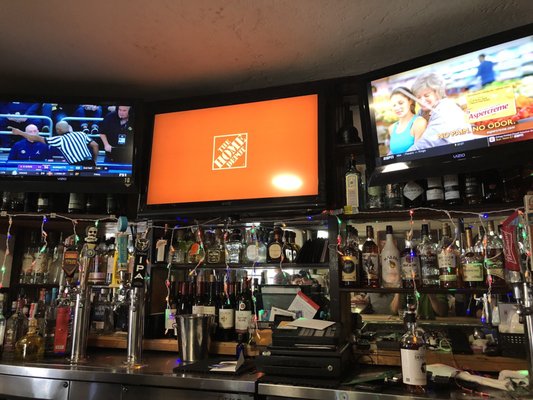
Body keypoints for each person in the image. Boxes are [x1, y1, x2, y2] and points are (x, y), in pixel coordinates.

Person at [407, 72, 473, 151]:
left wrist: (404, 156)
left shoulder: (446, 109)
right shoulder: (423, 111)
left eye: (426, 95)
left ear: (437, 93)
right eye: (418, 97)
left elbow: (427, 143)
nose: (422, 101)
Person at [9, 120, 99, 166]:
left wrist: (19, 132)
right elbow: (95, 145)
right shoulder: (81, 134)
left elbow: (36, 138)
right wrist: (94, 160)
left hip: (76, 166)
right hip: (91, 163)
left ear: (58, 130)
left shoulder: (59, 139)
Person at [387, 87, 427, 154]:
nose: (397, 108)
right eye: (394, 105)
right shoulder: (391, 128)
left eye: (400, 103)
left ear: (410, 101)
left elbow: (420, 153)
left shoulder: (419, 123)